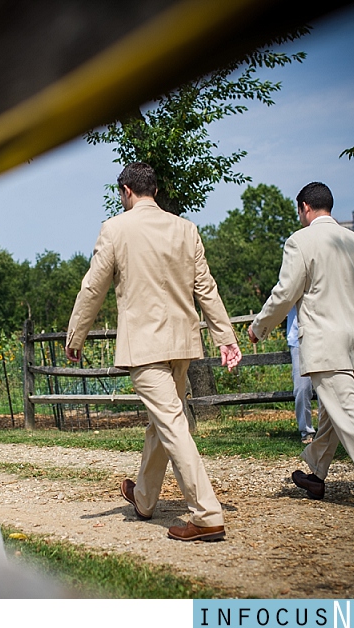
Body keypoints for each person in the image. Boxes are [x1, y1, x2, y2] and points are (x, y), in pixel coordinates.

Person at [65, 162, 242, 542]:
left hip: (144, 347)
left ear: (126, 191)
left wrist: (76, 336)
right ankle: (144, 498)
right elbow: (206, 288)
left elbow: (93, 288)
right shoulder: (186, 229)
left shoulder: (115, 228)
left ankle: (207, 515)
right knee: (164, 422)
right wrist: (225, 337)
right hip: (182, 344)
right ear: (155, 191)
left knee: (172, 424)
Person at [248, 182, 354, 514]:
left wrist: (258, 327)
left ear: (305, 207)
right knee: (333, 415)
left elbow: (285, 292)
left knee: (350, 414)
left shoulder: (300, 241)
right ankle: (316, 475)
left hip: (324, 343)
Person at [287, 304, 316, 444]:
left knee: (327, 388)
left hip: (323, 338)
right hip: (297, 340)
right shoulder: (291, 281)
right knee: (301, 388)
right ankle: (306, 431)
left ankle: (327, 431)